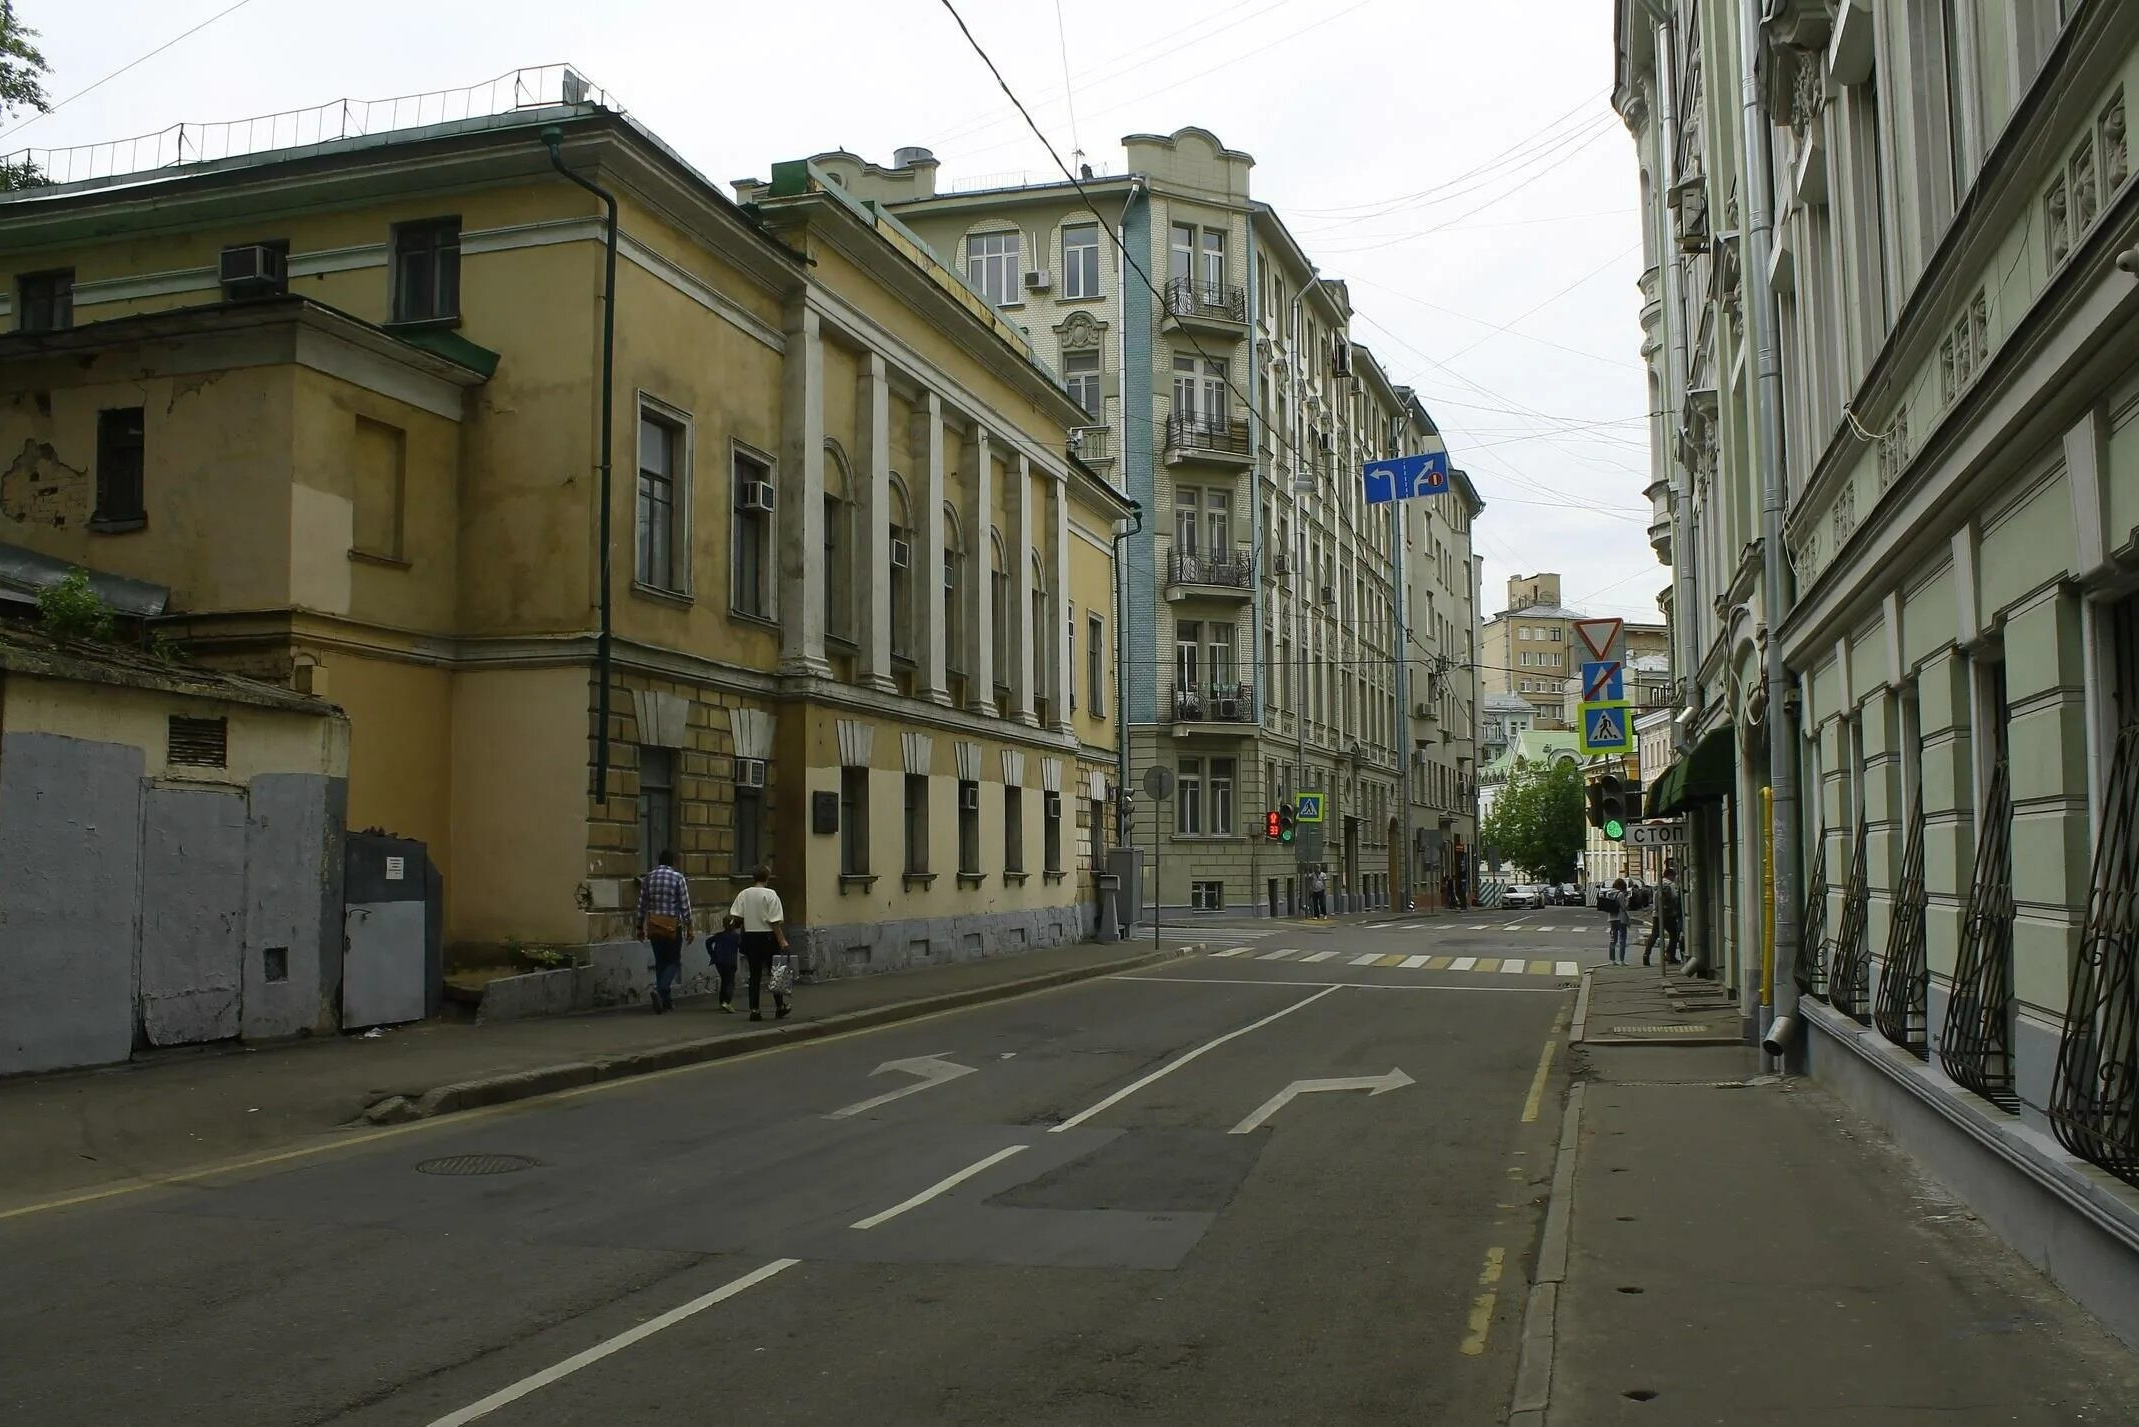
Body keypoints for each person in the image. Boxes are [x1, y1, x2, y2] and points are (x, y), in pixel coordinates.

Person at [729, 864, 792, 1021]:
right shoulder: (771, 895)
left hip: (750, 937)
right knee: (775, 973)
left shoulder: (744, 894)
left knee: (754, 975)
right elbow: (774, 921)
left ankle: (755, 1010)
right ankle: (779, 1006)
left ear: (753, 877)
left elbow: (736, 916)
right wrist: (782, 940)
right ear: (767, 878)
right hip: (768, 937)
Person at [635, 850, 692, 1014]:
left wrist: (639, 927)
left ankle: (666, 1002)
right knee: (673, 960)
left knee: (661, 961)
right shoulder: (678, 877)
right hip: (672, 925)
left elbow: (642, 904)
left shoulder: (649, 878)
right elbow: (685, 906)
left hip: (653, 925)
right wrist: (690, 928)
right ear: (673, 861)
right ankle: (660, 990)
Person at [1644, 864, 1685, 966]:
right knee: (1674, 935)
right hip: (1669, 914)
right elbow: (1675, 897)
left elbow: (1653, 899)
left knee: (1654, 935)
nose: (1674, 878)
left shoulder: (1657, 884)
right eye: (1674, 876)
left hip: (1657, 914)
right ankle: (1670, 956)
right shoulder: (1670, 885)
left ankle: (1646, 955)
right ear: (1670, 875)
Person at [705, 915, 742, 1013]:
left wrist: (712, 954)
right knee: (730, 982)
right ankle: (727, 1002)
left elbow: (708, 942)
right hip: (730, 962)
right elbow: (742, 946)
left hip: (719, 962)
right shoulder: (737, 937)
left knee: (724, 981)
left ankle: (722, 1001)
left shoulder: (719, 935)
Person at [1603, 877, 1631, 964]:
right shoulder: (1620, 894)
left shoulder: (1609, 893)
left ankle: (1612, 960)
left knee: (1613, 939)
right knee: (1622, 939)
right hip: (1621, 918)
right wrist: (1627, 901)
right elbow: (1624, 907)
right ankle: (1622, 960)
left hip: (1612, 918)